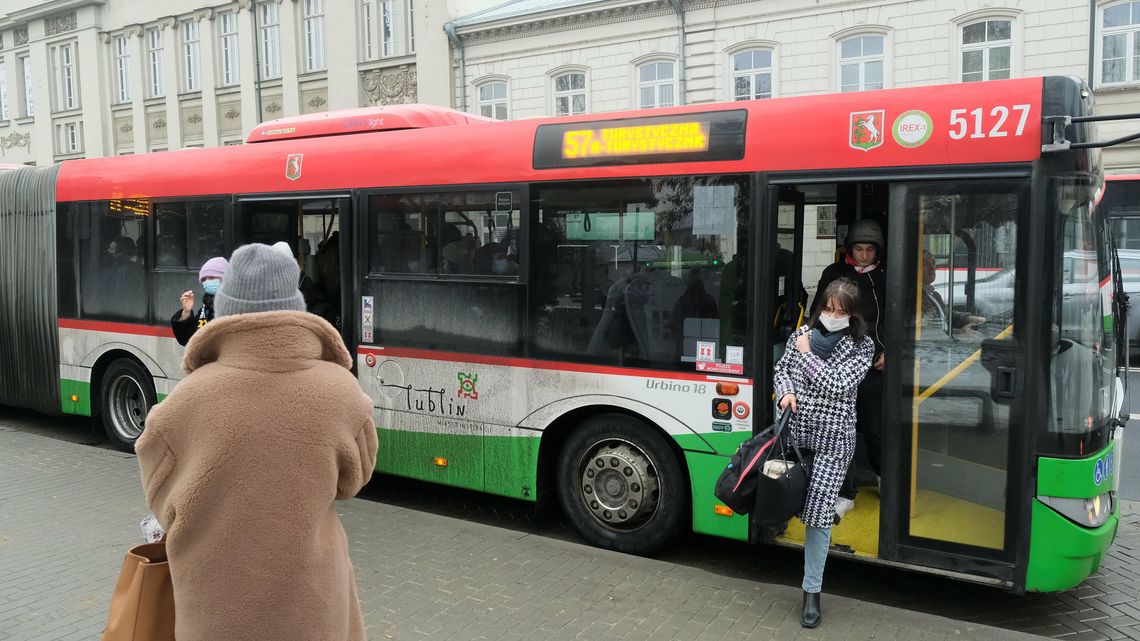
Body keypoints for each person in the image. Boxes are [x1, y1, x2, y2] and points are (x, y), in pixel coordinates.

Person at [137, 243, 377, 641]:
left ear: (227, 310)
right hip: (314, 611)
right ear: (295, 308)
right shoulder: (343, 393)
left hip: (215, 615)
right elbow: (353, 481)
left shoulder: (184, 403)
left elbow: (162, 501)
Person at [774, 277, 874, 628]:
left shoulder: (862, 347)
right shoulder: (800, 332)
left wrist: (805, 355)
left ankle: (811, 592)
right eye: (828, 309)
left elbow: (837, 384)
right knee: (785, 500)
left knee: (816, 518)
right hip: (796, 437)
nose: (832, 315)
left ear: (852, 314)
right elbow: (781, 370)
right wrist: (785, 392)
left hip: (834, 443)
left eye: (840, 311)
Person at [811, 219, 886, 517]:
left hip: (875, 364)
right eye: (859, 248)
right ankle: (844, 491)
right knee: (843, 430)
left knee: (875, 428)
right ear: (850, 248)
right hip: (838, 363)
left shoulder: (885, 276)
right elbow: (819, 309)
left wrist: (891, 349)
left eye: (870, 249)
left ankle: (884, 479)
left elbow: (901, 316)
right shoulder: (835, 273)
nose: (864, 255)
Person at [921, 250, 986, 334]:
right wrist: (960, 333)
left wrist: (970, 318)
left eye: (933, 263)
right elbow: (928, 333)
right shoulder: (913, 297)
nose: (932, 268)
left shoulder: (934, 295)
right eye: (925, 264)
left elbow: (946, 315)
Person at [171, 256, 228, 346]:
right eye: (204, 279)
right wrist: (186, 312)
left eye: (211, 277)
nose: (206, 282)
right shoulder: (206, 308)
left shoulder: (238, 306)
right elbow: (188, 340)